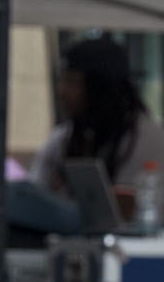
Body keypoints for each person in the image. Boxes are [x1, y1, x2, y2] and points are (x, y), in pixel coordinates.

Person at [34, 35, 164, 226]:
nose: (62, 92)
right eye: (63, 81)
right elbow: (35, 193)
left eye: (73, 82)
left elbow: (133, 211)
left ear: (102, 89)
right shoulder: (63, 138)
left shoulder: (148, 139)